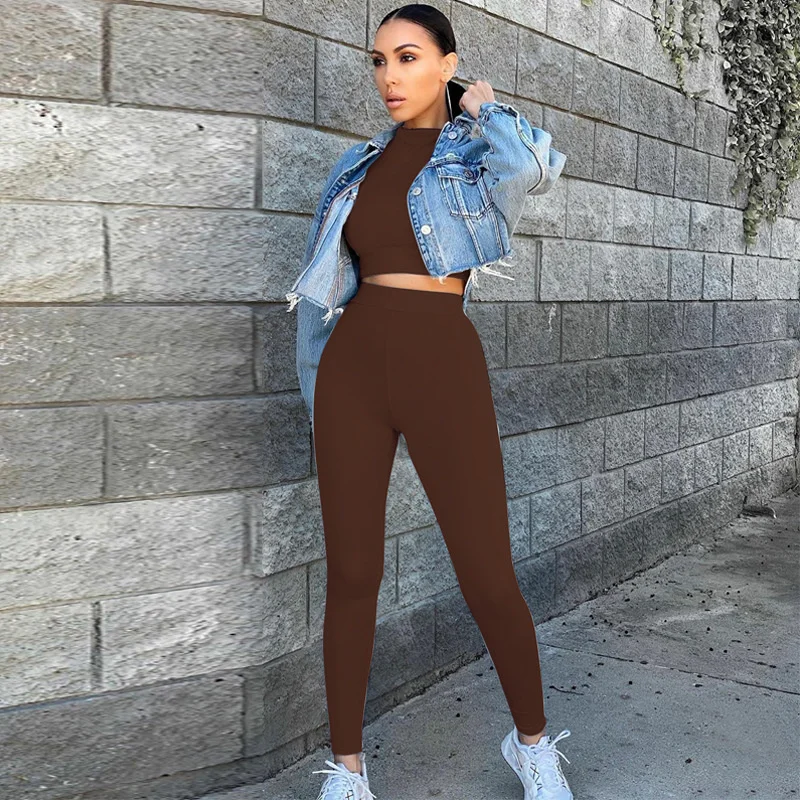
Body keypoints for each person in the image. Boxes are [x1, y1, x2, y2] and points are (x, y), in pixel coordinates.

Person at [295, 5, 574, 799]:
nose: (389, 75)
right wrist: (316, 384)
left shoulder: (474, 151)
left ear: (447, 64)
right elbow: (321, 288)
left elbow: (535, 168)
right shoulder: (356, 165)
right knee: (353, 573)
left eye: (408, 57)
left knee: (487, 573)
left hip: (443, 365)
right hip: (352, 370)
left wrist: (487, 107)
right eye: (378, 60)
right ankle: (347, 770)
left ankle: (531, 746)